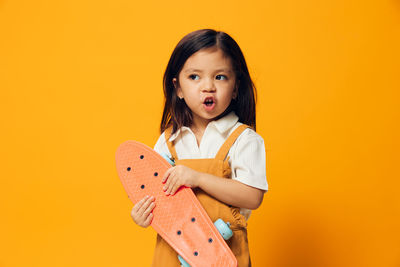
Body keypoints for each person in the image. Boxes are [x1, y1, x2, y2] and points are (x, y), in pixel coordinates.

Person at [130, 29, 268, 267]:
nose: (208, 87)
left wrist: (197, 178)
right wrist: (144, 214)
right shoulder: (168, 141)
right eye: (194, 77)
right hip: (172, 253)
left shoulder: (244, 139)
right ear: (178, 88)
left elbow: (252, 196)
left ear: (236, 87)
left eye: (220, 77)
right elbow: (156, 195)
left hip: (224, 254)